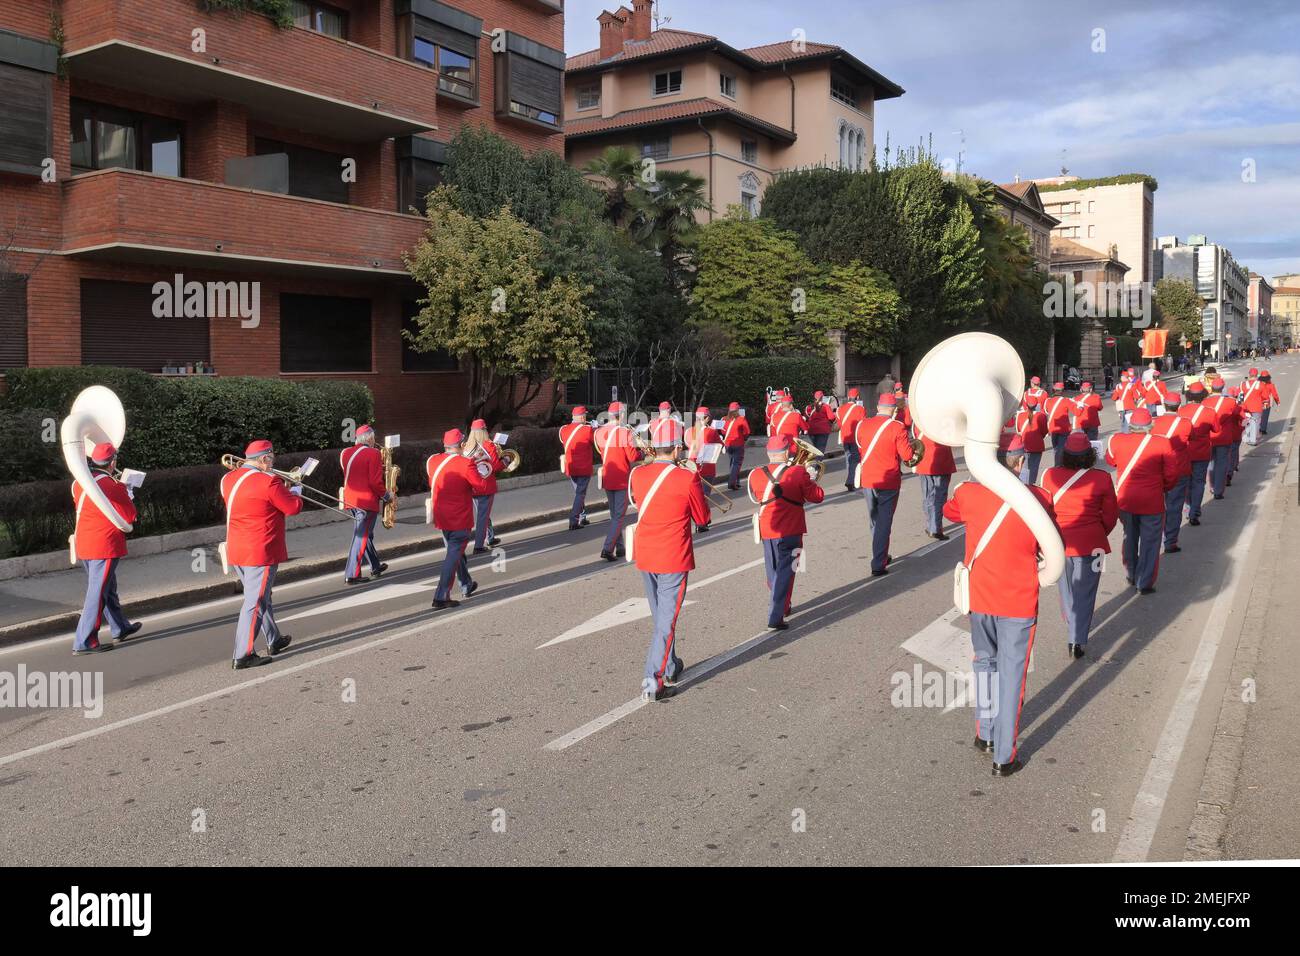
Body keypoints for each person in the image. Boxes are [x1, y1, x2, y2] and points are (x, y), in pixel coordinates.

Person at [942, 434, 1057, 777]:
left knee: (984, 664)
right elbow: (1053, 538)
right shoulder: (1039, 498)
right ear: (1021, 463)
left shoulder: (967, 494)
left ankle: (985, 734)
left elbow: (949, 511)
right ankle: (1003, 756)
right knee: (1012, 677)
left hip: (981, 598)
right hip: (1018, 601)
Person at [628, 418, 710, 701]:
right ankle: (653, 680)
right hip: (673, 555)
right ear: (677, 449)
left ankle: (671, 664)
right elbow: (703, 518)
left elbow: (640, 504)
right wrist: (691, 476)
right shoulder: (687, 477)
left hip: (646, 553)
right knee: (666, 620)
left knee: (661, 617)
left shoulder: (638, 475)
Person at [221, 440, 303, 669]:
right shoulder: (269, 481)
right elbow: (292, 508)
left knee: (261, 596)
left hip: (236, 548)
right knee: (254, 601)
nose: (273, 462)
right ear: (265, 458)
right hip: (260, 550)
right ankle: (243, 654)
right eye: (272, 458)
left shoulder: (227, 479)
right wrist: (295, 490)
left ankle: (273, 639)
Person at [1039, 431, 1117, 658]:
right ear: (1089, 455)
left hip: (1059, 543)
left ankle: (1073, 624)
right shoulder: (1102, 478)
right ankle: (1077, 639)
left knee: (1066, 590)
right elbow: (1111, 515)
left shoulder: (1049, 475)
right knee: (1086, 592)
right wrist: (1100, 532)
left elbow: (1044, 511)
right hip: (1092, 544)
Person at [70, 442, 142, 655]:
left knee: (107, 588)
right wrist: (127, 491)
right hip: (104, 545)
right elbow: (130, 516)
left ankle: (120, 627)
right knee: (98, 592)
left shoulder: (78, 483)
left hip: (84, 542)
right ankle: (84, 641)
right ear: (113, 462)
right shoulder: (113, 485)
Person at [747, 434, 824, 630]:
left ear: (768, 453)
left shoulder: (755, 473)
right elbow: (817, 497)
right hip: (792, 528)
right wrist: (811, 478)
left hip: (768, 528)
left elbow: (756, 498)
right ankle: (776, 613)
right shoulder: (798, 473)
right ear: (787, 452)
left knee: (773, 569)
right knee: (787, 570)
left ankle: (783, 604)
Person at [1105, 409, 1178, 594]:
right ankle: (1144, 582)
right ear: (1150, 426)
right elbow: (1171, 474)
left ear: (1131, 425)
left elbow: (1110, 461)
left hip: (1125, 499)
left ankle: (1130, 571)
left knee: (1129, 536)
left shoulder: (1117, 440)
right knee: (1150, 542)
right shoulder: (1162, 443)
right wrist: (1164, 488)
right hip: (1152, 501)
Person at [426, 429, 492, 610]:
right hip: (459, 517)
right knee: (454, 554)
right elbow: (481, 487)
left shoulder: (432, 461)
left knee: (455, 551)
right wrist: (482, 468)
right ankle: (441, 596)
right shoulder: (466, 463)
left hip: (441, 515)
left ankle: (466, 584)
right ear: (462, 445)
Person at [854, 393, 918, 576]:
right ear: (894, 409)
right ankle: (878, 562)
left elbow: (860, 448)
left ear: (878, 406)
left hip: (868, 479)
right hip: (889, 480)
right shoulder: (897, 427)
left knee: (874, 519)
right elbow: (906, 456)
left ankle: (879, 551)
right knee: (884, 521)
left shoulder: (862, 424)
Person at [340, 424, 389, 584]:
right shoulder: (373, 453)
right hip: (366, 502)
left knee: (363, 534)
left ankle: (375, 566)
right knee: (360, 537)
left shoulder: (345, 453)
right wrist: (387, 496)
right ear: (368, 438)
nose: (375, 441)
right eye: (374, 438)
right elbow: (375, 482)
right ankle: (352, 573)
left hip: (350, 500)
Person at [594, 402, 642, 562]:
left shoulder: (600, 431)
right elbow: (633, 457)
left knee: (615, 514)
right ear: (621, 415)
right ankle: (607, 548)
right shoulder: (624, 432)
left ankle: (620, 546)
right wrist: (640, 450)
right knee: (619, 515)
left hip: (608, 476)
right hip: (621, 477)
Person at [1151, 393, 1192, 553]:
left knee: (1157, 506)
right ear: (1179, 406)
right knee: (1174, 506)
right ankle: (1170, 541)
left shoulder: (1153, 422)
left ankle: (1156, 537)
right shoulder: (1185, 423)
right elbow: (1191, 438)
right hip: (1178, 468)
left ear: (1163, 404)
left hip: (1156, 469)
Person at [463, 420, 506, 554]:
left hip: (472, 486)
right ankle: (479, 545)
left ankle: (490, 537)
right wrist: (505, 461)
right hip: (486, 486)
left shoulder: (465, 447)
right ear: (484, 431)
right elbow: (496, 466)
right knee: (483, 516)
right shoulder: (488, 445)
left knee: (483, 513)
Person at [1177, 382, 1215, 527]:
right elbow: (1216, 429)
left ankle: (1188, 508)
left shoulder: (1181, 410)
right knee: (1199, 483)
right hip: (1202, 452)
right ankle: (1195, 512)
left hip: (1185, 452)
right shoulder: (1209, 411)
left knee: (1186, 482)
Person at [912, 420, 955, 540]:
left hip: (925, 461)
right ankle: (935, 528)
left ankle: (930, 524)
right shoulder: (945, 418)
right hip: (942, 459)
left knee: (928, 495)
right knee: (939, 497)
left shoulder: (919, 418)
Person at [560, 406, 595, 530]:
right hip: (583, 467)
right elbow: (595, 442)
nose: (586, 417)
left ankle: (582, 517)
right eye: (584, 415)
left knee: (578, 493)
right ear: (581, 417)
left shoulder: (564, 430)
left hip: (571, 467)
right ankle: (573, 520)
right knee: (580, 494)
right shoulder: (587, 429)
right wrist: (595, 428)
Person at [1204, 379, 1236, 500]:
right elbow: (1238, 415)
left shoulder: (1205, 402)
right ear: (1223, 388)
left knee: (1211, 463)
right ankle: (1218, 490)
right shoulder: (1230, 402)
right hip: (1224, 436)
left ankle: (1212, 486)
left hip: (1209, 437)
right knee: (1221, 464)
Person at [1013, 395, 1048, 485]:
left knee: (1024, 466)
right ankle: (1031, 484)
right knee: (1034, 466)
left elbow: (1018, 430)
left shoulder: (1020, 415)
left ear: (1026, 405)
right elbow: (1044, 431)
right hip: (1037, 445)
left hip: (1023, 444)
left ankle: (1024, 484)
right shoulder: (1042, 416)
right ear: (1036, 405)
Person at [838, 388, 866, 492]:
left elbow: (840, 423)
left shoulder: (840, 409)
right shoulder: (860, 409)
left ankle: (852, 478)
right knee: (856, 459)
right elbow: (862, 424)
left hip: (845, 437)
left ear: (848, 397)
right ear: (857, 397)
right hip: (855, 437)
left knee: (848, 459)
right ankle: (851, 481)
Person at [720, 402, 750, 490]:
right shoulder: (741, 419)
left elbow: (723, 432)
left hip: (728, 444)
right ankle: (732, 483)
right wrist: (744, 439)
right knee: (737, 463)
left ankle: (737, 481)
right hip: (738, 444)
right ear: (738, 410)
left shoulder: (724, 419)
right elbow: (747, 432)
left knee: (732, 463)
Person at [1043, 382, 1073, 465]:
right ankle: (1059, 465)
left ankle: (1058, 463)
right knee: (1061, 448)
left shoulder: (1048, 401)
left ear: (1054, 390)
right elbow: (1077, 412)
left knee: (1056, 448)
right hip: (1064, 428)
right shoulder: (1066, 401)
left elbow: (1046, 411)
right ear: (1062, 391)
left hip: (1053, 428)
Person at [1260, 370, 1280, 435]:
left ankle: (1257, 427)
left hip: (1258, 403)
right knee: (1265, 416)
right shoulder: (1271, 385)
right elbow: (1275, 394)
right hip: (1266, 403)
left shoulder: (1257, 384)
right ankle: (1263, 429)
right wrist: (1278, 402)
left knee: (1257, 416)